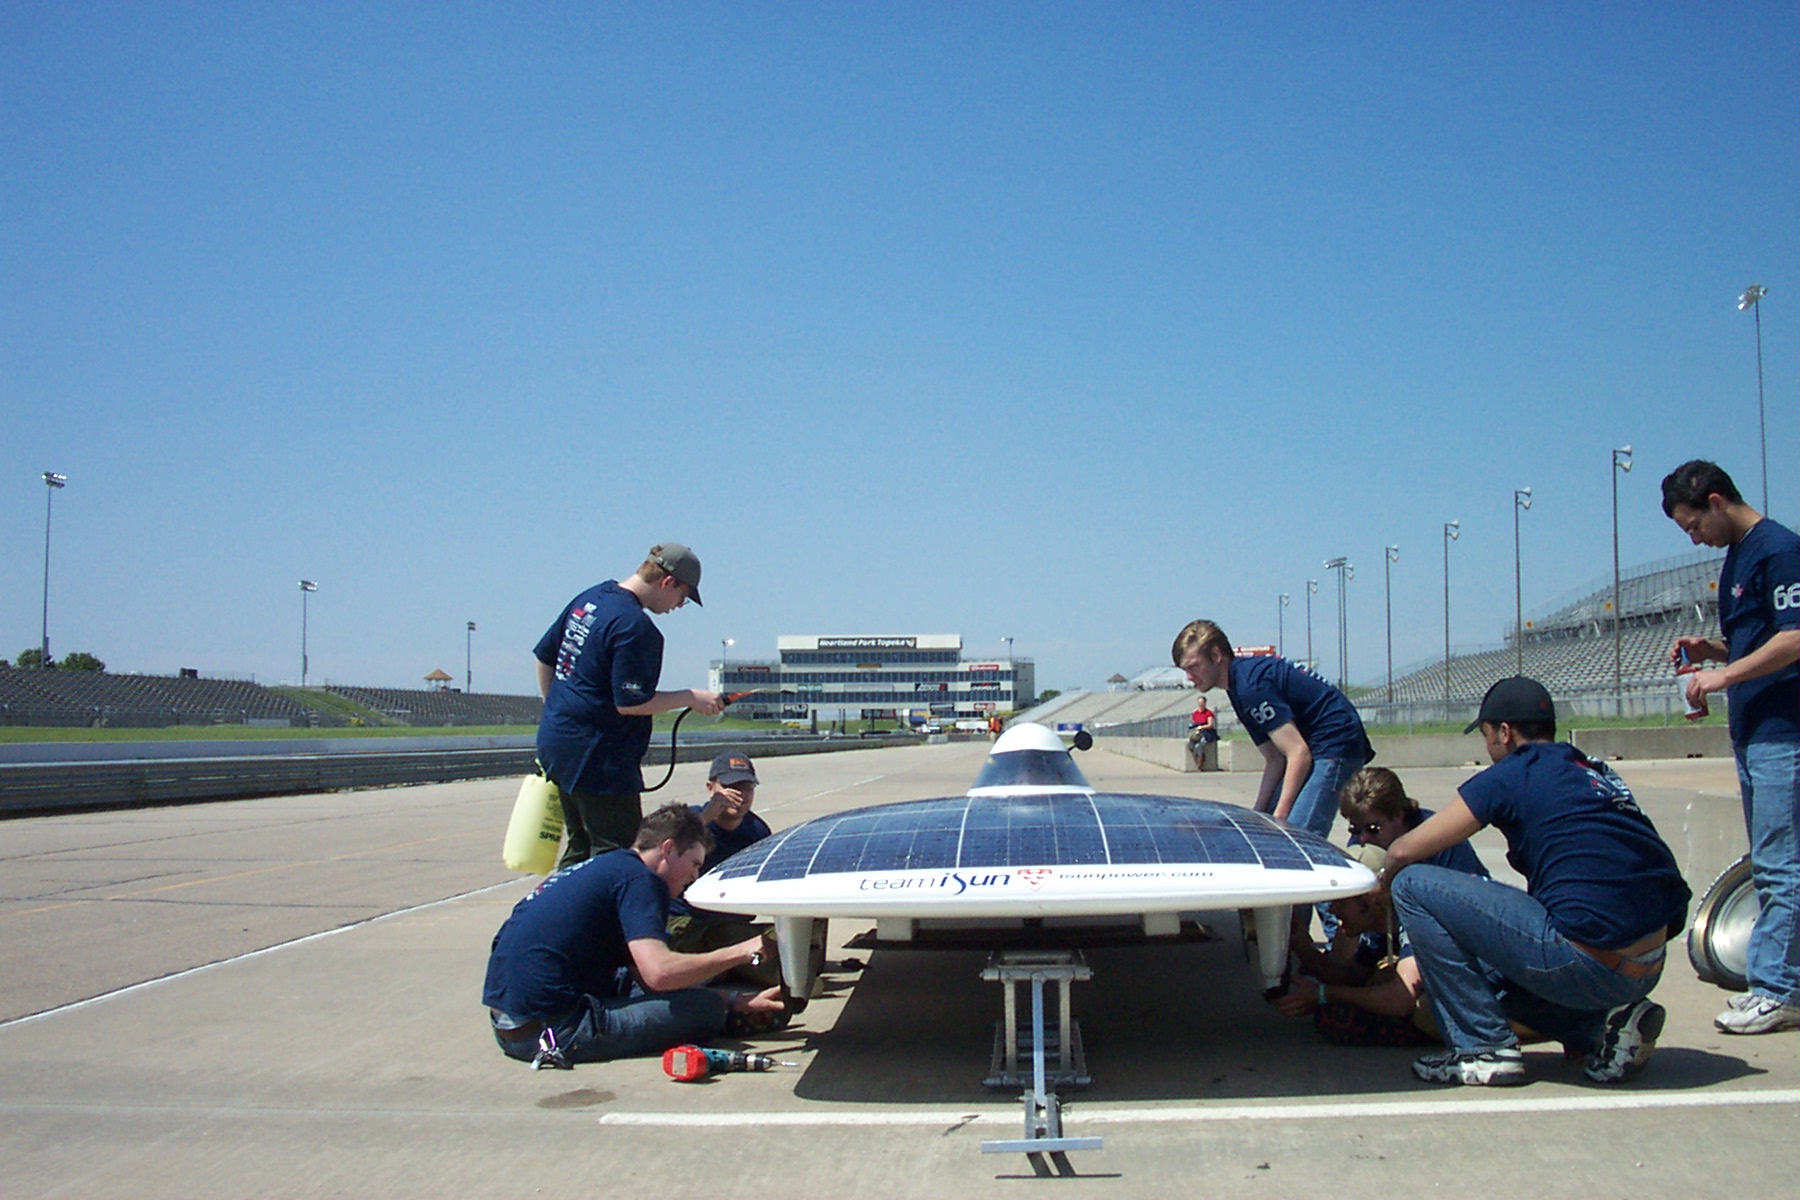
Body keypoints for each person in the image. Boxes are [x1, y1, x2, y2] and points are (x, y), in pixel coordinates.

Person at [1380, 677, 1690, 1086]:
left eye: (1487, 736)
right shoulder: (1591, 769)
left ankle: (1483, 1048)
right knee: (1484, 977)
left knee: (1413, 885)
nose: (1488, 747)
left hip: (1590, 962)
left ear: (1505, 733)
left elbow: (1405, 851)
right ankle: (1605, 1028)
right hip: (1647, 963)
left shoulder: (1513, 772)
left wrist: (1380, 886)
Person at [483, 803, 782, 1067]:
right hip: (551, 1029)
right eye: (693, 864)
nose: (694, 877)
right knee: (703, 1008)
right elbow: (659, 974)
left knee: (670, 982)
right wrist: (740, 953)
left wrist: (734, 1000)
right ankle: (721, 1015)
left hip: (511, 1022)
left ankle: (728, 1009)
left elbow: (643, 977)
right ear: (667, 849)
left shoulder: (608, 867)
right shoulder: (642, 880)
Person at [1663, 459, 1800, 1034]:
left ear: (1717, 501)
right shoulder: (1737, 557)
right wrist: (1713, 651)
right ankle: (1776, 979)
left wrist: (1725, 677)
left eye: (1694, 525)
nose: (1694, 537)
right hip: (1752, 731)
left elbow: (1794, 636)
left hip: (1783, 730)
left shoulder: (1779, 551)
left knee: (1779, 863)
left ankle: (1780, 989)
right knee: (1771, 860)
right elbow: (1759, 637)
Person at [534, 542, 724, 870]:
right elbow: (631, 702)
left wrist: (555, 709)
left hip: (559, 745)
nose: (680, 606)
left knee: (580, 847)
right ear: (668, 582)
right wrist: (691, 698)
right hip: (600, 760)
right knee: (616, 857)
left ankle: (562, 914)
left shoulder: (591, 598)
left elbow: (545, 657)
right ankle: (599, 921)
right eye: (683, 597)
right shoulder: (636, 628)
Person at [1172, 620, 1374, 838]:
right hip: (1313, 744)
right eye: (1185, 670)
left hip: (1335, 743)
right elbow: (1275, 759)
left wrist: (1279, 817)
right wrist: (1258, 814)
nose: (1189, 677)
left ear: (1216, 654)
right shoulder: (1237, 689)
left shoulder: (1251, 686)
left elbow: (1298, 753)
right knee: (1264, 827)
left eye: (1193, 667)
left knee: (1296, 838)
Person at [666, 749, 782, 988]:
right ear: (711, 788)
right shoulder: (689, 821)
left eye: (747, 788)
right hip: (686, 920)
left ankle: (725, 967)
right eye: (731, 787)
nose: (740, 795)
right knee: (732, 938)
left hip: (732, 920)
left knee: (801, 931)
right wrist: (707, 816)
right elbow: (661, 850)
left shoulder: (757, 831)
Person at [1339, 766, 1489, 879]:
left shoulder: (1439, 838)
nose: (1362, 838)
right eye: (1355, 830)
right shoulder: (1362, 844)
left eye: (1372, 829)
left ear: (1398, 815)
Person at [1187, 695, 1219, 771]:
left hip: (1207, 733)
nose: (1201, 705)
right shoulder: (1195, 713)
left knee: (1199, 745)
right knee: (1190, 745)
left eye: (1202, 704)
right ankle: (1199, 755)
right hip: (1197, 733)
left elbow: (1210, 725)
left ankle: (1200, 762)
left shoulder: (1209, 713)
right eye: (1200, 704)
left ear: (1205, 703)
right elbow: (1194, 723)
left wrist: (1202, 727)